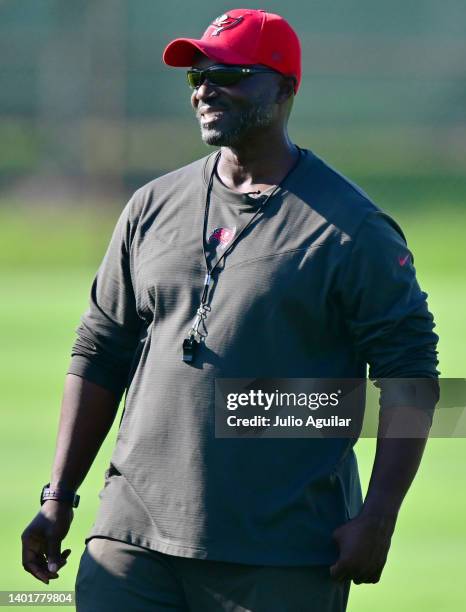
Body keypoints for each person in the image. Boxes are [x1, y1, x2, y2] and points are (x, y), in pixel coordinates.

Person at [21, 8, 439, 612]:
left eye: (231, 73)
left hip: (279, 555)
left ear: (287, 88)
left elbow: (413, 382)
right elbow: (99, 350)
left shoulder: (354, 230)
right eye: (198, 76)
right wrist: (58, 495)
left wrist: (379, 517)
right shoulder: (150, 205)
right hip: (129, 543)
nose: (207, 88)